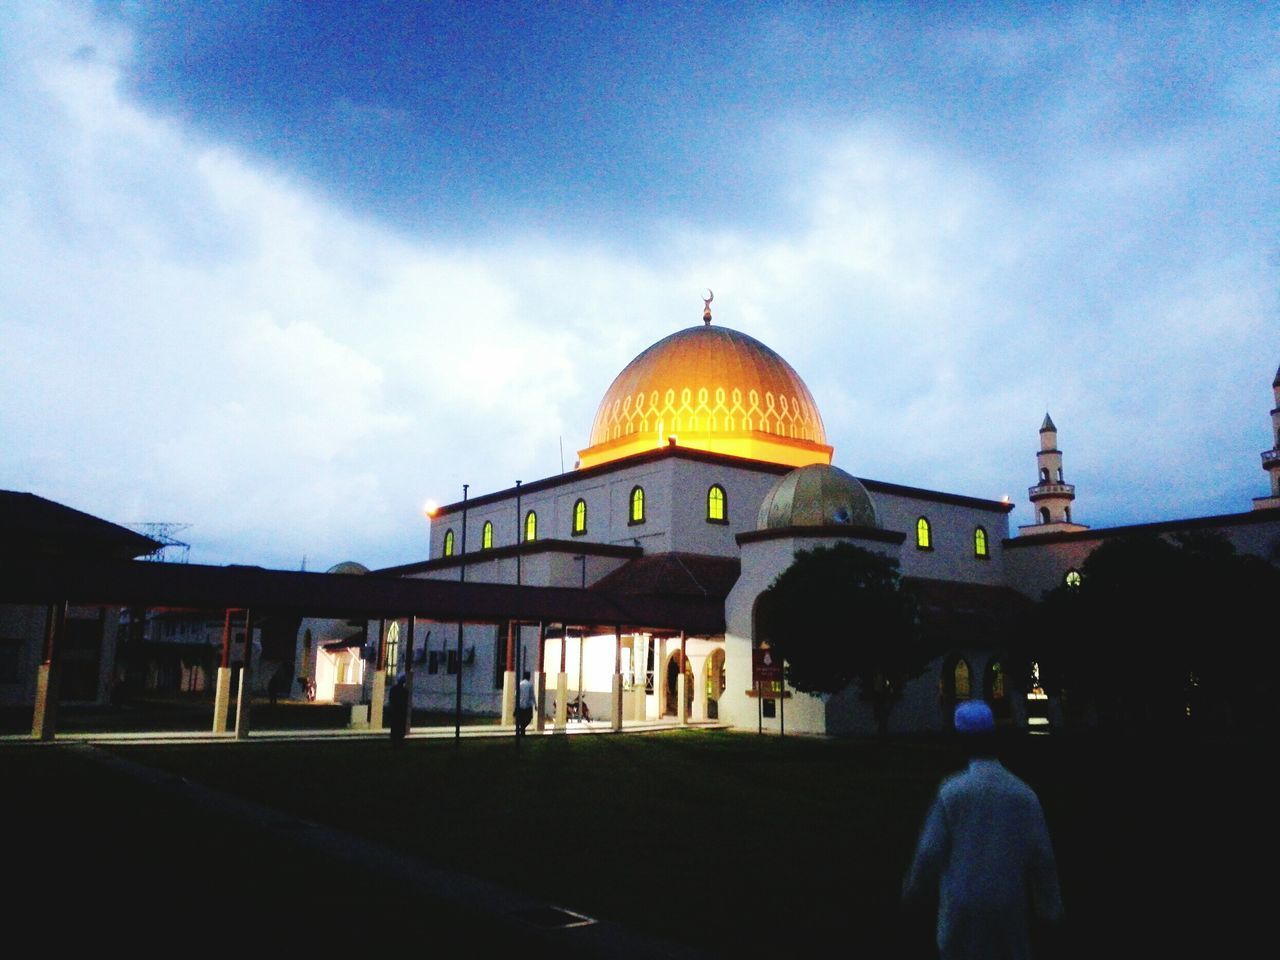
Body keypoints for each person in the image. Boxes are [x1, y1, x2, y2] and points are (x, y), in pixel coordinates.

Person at [903, 700, 1063, 960]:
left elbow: (929, 852)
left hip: (961, 906)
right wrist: (1050, 907)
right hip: (1008, 905)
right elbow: (1041, 856)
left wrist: (913, 892)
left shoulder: (952, 792)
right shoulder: (1023, 794)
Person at [388, 675, 409, 747]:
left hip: (395, 711)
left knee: (395, 726)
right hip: (401, 712)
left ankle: (395, 742)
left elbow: (391, 700)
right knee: (400, 726)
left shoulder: (393, 689)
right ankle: (399, 742)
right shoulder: (405, 691)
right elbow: (406, 702)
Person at [516, 671, 535, 736]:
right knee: (529, 718)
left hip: (520, 704)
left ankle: (522, 729)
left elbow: (516, 694)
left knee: (521, 718)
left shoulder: (520, 684)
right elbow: (532, 695)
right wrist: (535, 704)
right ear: (528, 676)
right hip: (528, 705)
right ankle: (523, 729)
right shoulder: (530, 685)